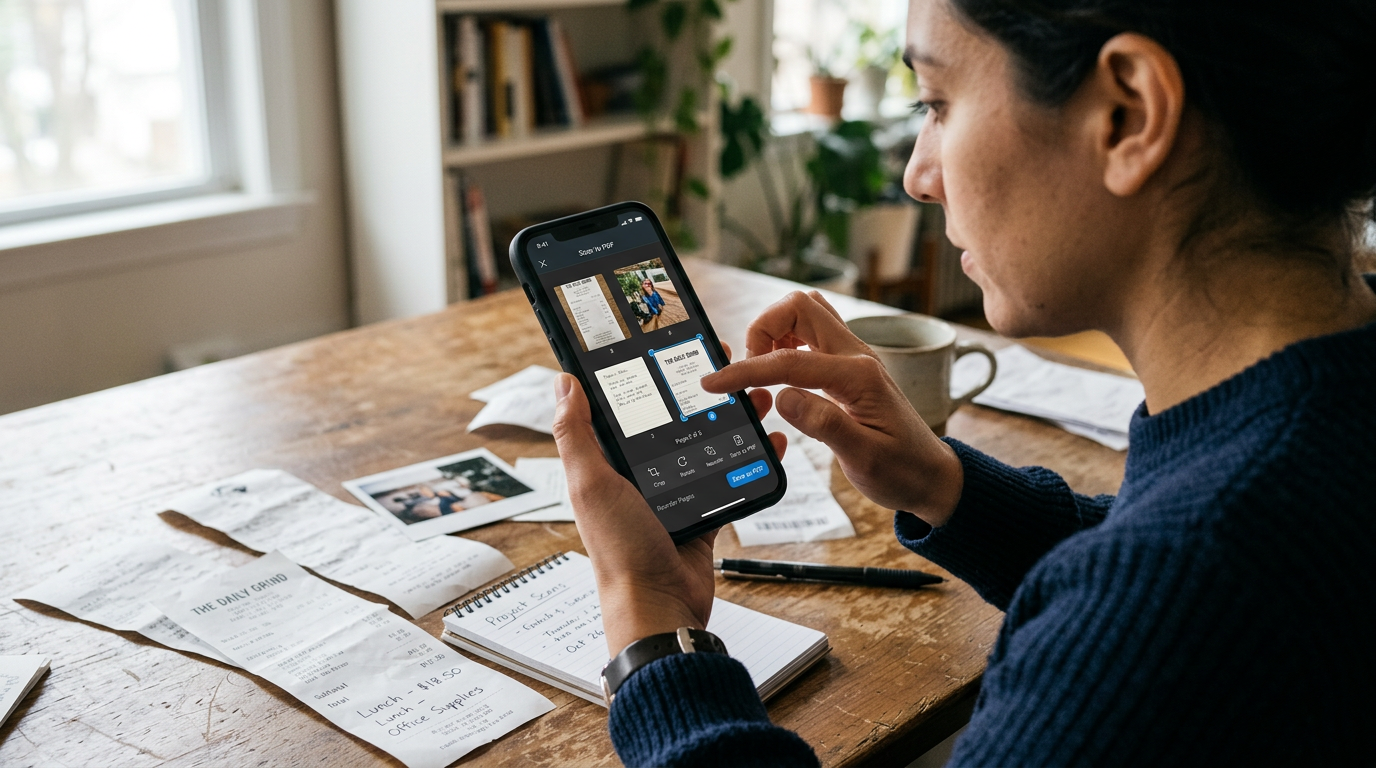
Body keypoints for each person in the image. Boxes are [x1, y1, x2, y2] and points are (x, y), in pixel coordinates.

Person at [552, 0, 1375, 764]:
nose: (918, 173)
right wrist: (947, 485)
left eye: (937, 103)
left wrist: (651, 620)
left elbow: (1166, 597)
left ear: (1129, 115)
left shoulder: (1180, 594)